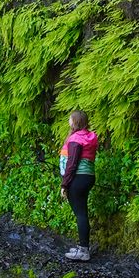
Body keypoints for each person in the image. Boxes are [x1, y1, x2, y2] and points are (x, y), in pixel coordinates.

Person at [59, 108, 99, 261]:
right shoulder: (90, 137)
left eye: (70, 118)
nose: (68, 121)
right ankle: (84, 247)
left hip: (77, 179)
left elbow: (72, 164)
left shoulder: (76, 139)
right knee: (82, 212)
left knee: (80, 214)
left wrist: (64, 184)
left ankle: (83, 251)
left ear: (75, 121)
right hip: (89, 177)